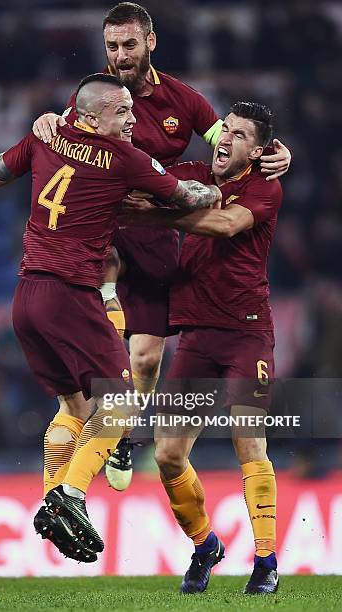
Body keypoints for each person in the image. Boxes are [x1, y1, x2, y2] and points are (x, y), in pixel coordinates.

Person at [32, 2, 292, 492]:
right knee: (89, 342)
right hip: (100, 224)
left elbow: (232, 151)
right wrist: (46, 121)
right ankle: (79, 433)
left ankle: (123, 433)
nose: (120, 55)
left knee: (148, 356)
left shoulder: (186, 102)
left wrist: (278, 154)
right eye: (112, 46)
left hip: (153, 231)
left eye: (129, 44)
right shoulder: (93, 93)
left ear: (151, 42)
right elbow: (61, 139)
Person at [0, 73, 222, 563]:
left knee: (74, 407)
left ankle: (54, 499)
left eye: (133, 110)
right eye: (122, 112)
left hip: (26, 298)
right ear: (92, 116)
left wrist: (44, 128)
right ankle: (70, 496)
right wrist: (213, 192)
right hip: (70, 295)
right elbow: (186, 197)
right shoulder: (125, 159)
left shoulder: (49, 136)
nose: (134, 120)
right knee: (121, 400)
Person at [123, 102, 281, 595]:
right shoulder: (189, 173)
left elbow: (226, 224)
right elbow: (140, 185)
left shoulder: (264, 186)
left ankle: (266, 561)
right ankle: (205, 543)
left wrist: (167, 216)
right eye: (223, 131)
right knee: (168, 455)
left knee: (248, 441)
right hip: (195, 336)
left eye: (237, 135)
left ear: (256, 152)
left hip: (246, 334)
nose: (224, 140)